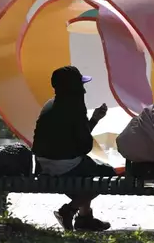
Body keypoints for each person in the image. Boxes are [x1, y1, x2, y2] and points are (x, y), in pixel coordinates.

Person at [31, 65, 115, 231]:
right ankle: (69, 210)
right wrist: (93, 121)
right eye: (81, 85)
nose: (84, 91)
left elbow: (71, 140)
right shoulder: (75, 107)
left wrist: (93, 120)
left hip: (42, 163)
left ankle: (84, 218)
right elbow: (84, 146)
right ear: (75, 88)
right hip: (63, 164)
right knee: (107, 175)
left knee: (88, 167)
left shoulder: (50, 104)